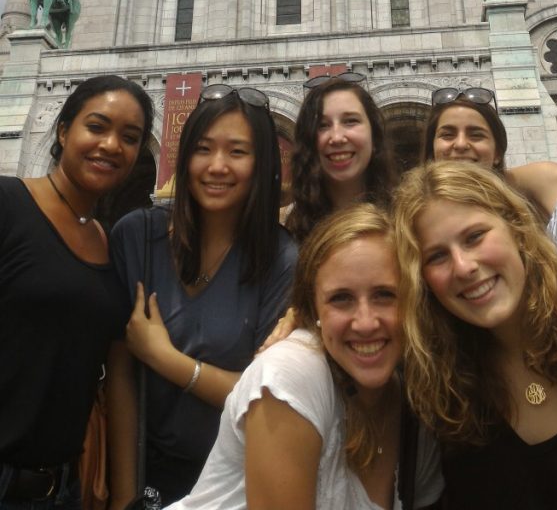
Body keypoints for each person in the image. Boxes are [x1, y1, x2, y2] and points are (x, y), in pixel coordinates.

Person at [167, 204, 443, 510]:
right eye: (341, 299)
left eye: (385, 295)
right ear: (312, 311)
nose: (365, 322)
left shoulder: (414, 406)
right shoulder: (294, 374)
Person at [110, 85, 297, 506]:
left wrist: (165, 358)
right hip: (144, 476)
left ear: (263, 163)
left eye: (237, 152)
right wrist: (124, 498)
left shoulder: (282, 259)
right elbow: (120, 370)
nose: (217, 166)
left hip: (232, 482)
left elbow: (260, 396)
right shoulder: (137, 236)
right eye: (204, 149)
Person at [0, 74, 154, 510]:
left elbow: (117, 377)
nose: (110, 145)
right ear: (64, 129)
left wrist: (126, 500)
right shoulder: (8, 203)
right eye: (97, 126)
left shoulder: (111, 242)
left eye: (129, 137)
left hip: (60, 489)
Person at [393, 159, 557, 509]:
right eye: (437, 256)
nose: (464, 267)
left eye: (475, 237)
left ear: (517, 228)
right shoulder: (435, 393)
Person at [422, 86, 557, 269]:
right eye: (447, 135)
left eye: (476, 135)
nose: (461, 144)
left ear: (497, 153)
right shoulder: (412, 219)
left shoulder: (548, 184)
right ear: (432, 150)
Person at [285, 73, 396, 244]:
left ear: (374, 135)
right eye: (322, 125)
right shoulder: (288, 233)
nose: (336, 137)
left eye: (350, 121)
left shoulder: (407, 220)